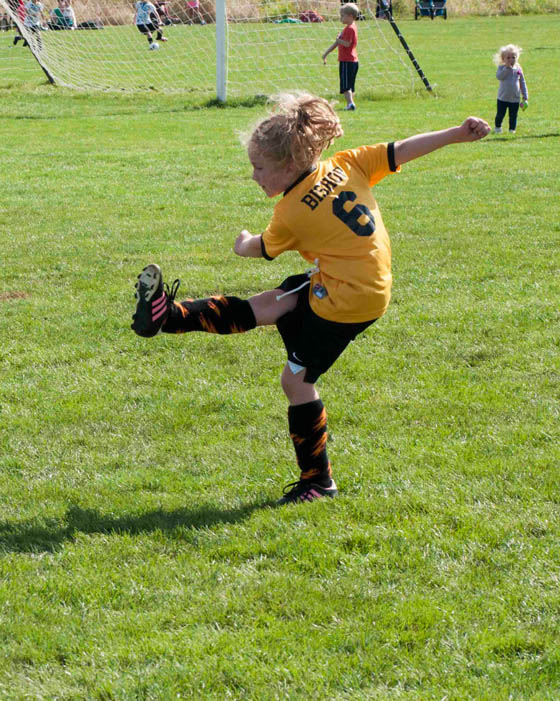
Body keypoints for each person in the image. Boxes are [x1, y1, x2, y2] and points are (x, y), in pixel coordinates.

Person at [131, 93, 490, 504]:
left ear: (287, 165)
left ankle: (318, 481)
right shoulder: (347, 164)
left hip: (347, 301)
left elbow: (260, 249)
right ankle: (166, 315)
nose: (254, 177)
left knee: (295, 381)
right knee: (274, 302)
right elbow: (403, 148)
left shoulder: (291, 212)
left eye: (258, 168)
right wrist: (457, 134)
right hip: (355, 280)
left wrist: (242, 242)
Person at [321, 3, 358, 110]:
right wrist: (326, 54)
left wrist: (339, 40)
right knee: (349, 84)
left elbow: (347, 43)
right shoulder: (349, 28)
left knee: (346, 85)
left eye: (342, 15)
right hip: (352, 61)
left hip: (347, 61)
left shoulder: (350, 29)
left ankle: (350, 104)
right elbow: (337, 43)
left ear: (350, 16)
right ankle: (350, 103)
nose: (340, 18)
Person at [493, 43, 529, 134]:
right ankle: (498, 127)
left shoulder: (518, 68)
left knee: (513, 115)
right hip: (503, 98)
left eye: (513, 57)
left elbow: (522, 82)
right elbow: (499, 77)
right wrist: (506, 69)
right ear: (503, 59)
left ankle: (512, 130)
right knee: (500, 114)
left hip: (515, 98)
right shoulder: (502, 68)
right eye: (508, 58)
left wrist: (525, 96)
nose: (511, 60)